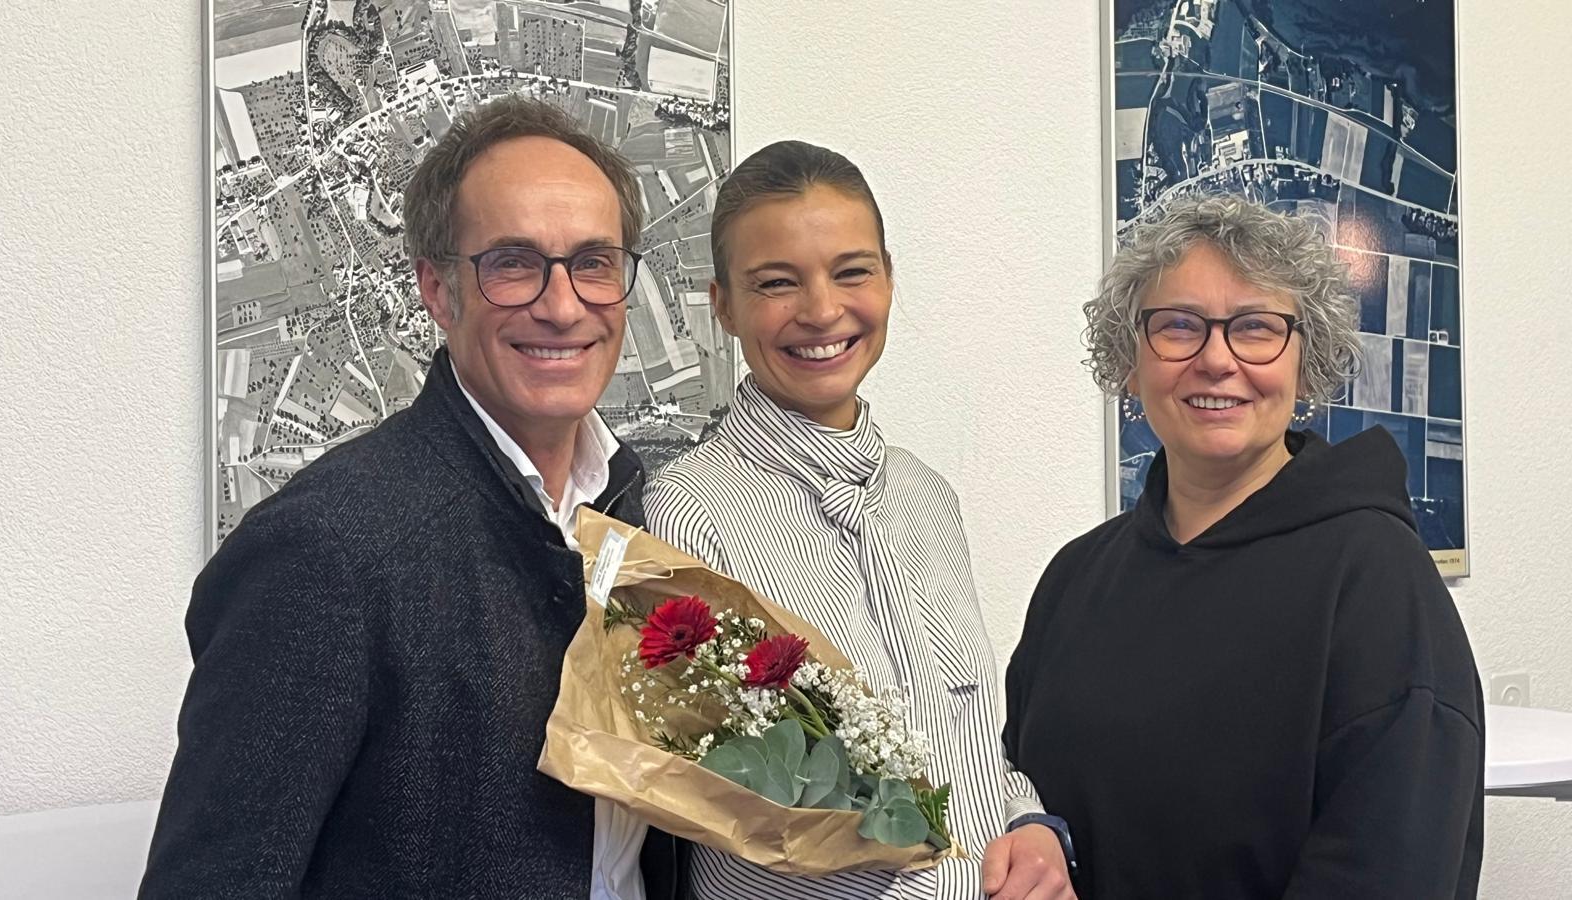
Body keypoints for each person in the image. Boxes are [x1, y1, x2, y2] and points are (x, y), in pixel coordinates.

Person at [141, 97, 683, 899]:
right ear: (437, 290)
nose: (563, 305)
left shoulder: (639, 512)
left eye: (594, 262)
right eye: (512, 263)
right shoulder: (326, 549)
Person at [1004, 194, 1484, 898]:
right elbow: (1015, 788)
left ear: (1306, 364)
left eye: (1256, 328)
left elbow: (1389, 868)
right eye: (1178, 326)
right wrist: (1032, 831)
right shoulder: (1076, 578)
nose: (1216, 360)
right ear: (1130, 363)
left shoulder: (1375, 579)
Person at [643, 140, 1075, 900]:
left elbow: (969, 745)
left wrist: (1030, 825)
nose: (821, 311)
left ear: (888, 277)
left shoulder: (925, 496)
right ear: (723, 306)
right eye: (777, 283)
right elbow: (732, 811)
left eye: (852, 272)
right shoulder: (687, 515)